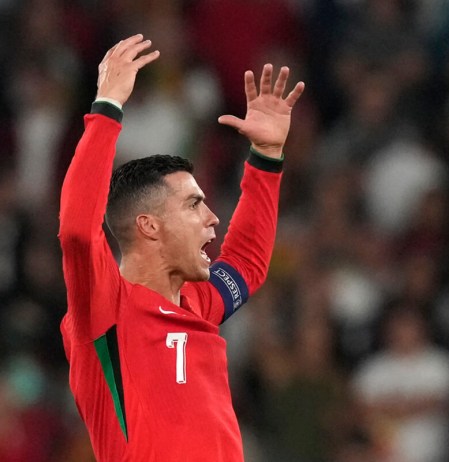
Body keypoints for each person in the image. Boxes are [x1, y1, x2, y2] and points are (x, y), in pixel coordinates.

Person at [58, 34, 304, 462]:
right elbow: (79, 230)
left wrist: (266, 156)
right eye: (194, 205)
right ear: (149, 226)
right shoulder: (105, 310)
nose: (212, 219)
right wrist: (107, 108)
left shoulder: (196, 304)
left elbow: (246, 262)